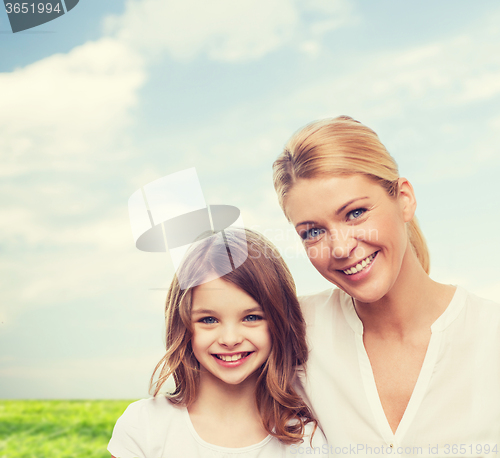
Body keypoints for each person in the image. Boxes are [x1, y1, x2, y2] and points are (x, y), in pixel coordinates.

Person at [272, 116, 500, 454]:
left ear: (404, 198)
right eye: (313, 232)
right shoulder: (293, 332)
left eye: (355, 213)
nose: (340, 247)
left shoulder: (489, 334)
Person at [108, 228, 328, 458]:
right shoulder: (144, 426)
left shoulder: (305, 440)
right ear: (183, 326)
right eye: (209, 320)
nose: (230, 339)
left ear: (279, 322)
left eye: (251, 317)